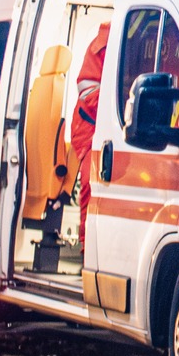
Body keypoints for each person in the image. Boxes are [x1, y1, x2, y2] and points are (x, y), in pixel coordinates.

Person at [68, 21, 110, 249]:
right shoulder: (102, 45)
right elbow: (89, 91)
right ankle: (87, 248)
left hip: (113, 127)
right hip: (90, 128)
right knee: (90, 182)